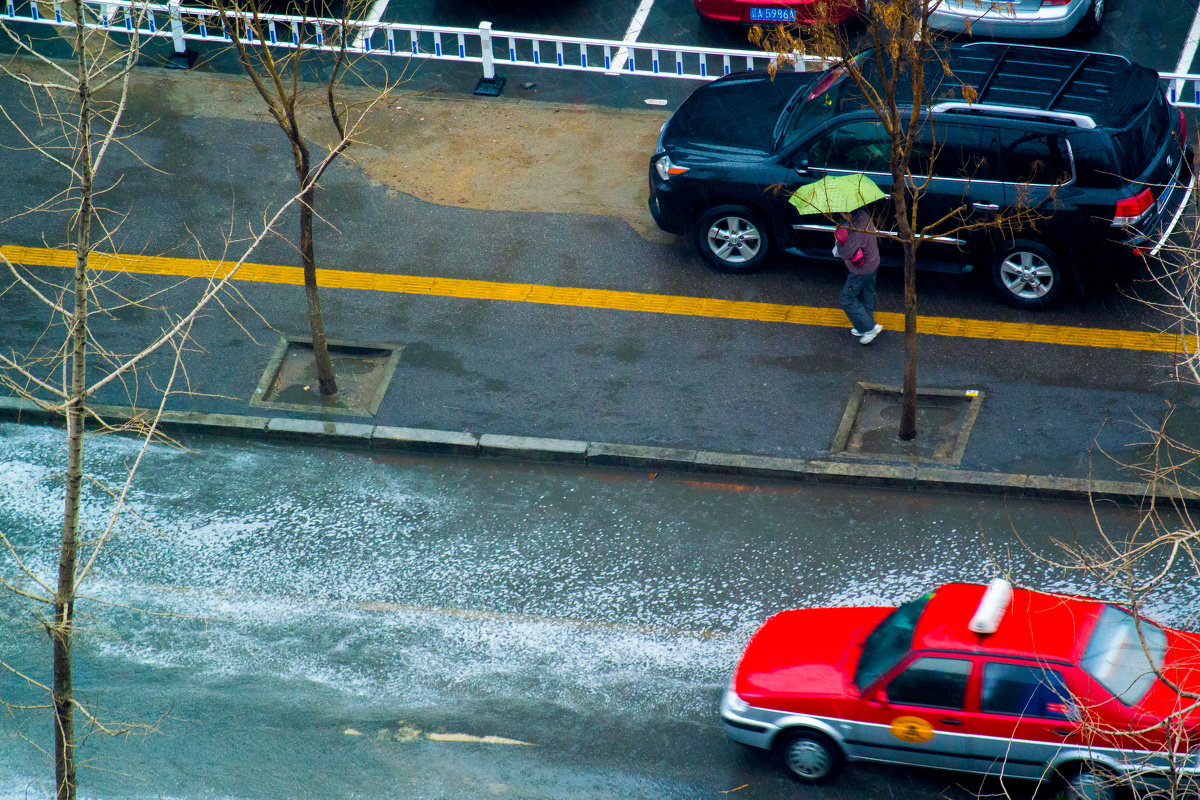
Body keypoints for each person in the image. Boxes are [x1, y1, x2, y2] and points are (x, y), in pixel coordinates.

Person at [835, 207, 882, 345]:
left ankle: (870, 328)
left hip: (861, 270)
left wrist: (839, 238)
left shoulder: (856, 230)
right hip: (873, 263)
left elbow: (846, 253)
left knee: (847, 298)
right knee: (866, 296)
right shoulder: (864, 216)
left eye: (842, 213)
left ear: (847, 212)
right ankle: (863, 327)